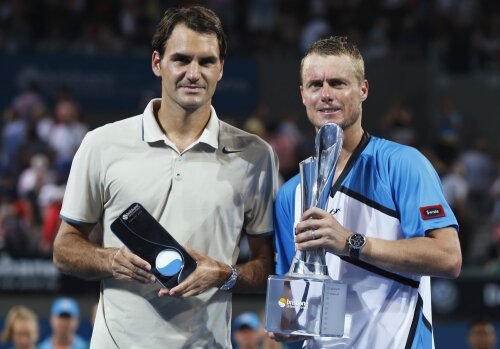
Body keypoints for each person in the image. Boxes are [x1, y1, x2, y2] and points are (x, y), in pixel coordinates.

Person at [52, 6, 277, 349]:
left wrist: (225, 275)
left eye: (206, 61)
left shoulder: (256, 156)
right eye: (181, 59)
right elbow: (64, 248)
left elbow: (267, 263)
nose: (193, 73)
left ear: (220, 69)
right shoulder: (102, 144)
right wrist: (109, 260)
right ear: (157, 63)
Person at [271, 36, 462, 348]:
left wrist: (350, 243)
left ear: (363, 90)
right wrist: (287, 323)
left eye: (338, 83)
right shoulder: (290, 193)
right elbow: (293, 302)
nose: (326, 95)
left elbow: (448, 257)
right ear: (303, 95)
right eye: (315, 85)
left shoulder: (403, 165)